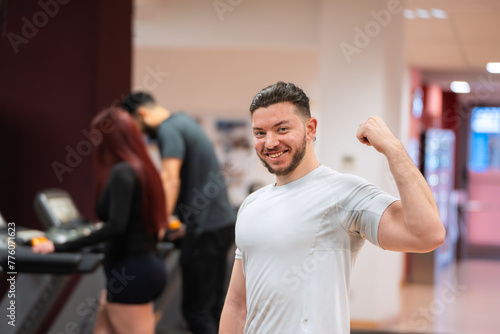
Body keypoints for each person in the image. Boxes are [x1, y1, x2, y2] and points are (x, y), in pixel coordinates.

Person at [219, 82, 446, 333]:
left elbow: (428, 234)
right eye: (260, 133)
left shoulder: (345, 193)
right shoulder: (252, 204)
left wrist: (393, 148)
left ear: (310, 129)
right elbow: (237, 304)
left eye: (282, 129)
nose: (270, 142)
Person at [33, 108, 168, 334]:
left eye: (97, 137)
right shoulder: (143, 168)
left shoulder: (123, 172)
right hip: (139, 269)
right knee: (102, 328)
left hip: (131, 273)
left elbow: (116, 226)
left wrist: (58, 246)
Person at [122, 92, 236, 334]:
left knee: (197, 312)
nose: (140, 135)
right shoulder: (184, 121)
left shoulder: (167, 129)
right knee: (213, 308)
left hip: (205, 228)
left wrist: (159, 223)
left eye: (136, 127)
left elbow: (169, 177)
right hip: (221, 224)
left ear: (142, 114)